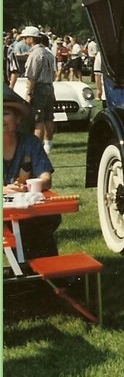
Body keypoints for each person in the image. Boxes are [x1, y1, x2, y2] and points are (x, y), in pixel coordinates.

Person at [3, 84, 60, 259]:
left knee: (46, 220)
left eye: (5, 113)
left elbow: (45, 178)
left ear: (18, 119)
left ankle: (49, 279)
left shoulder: (31, 143)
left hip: (26, 209)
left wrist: (29, 187)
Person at [20, 26, 57, 153]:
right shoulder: (49, 53)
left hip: (39, 87)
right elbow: (53, 74)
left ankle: (37, 147)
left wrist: (29, 93)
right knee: (49, 117)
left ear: (31, 39)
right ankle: (48, 144)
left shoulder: (35, 54)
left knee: (38, 119)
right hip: (49, 86)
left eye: (25, 38)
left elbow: (31, 76)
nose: (24, 40)